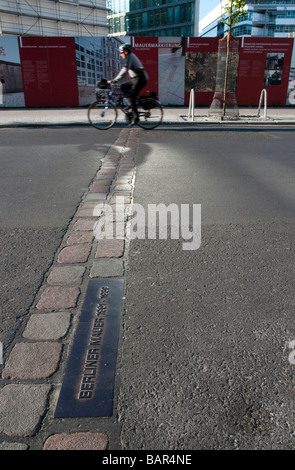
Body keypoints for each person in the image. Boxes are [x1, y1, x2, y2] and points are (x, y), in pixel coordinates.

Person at [108, 44, 148, 126]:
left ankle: (136, 118)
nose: (120, 54)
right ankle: (131, 104)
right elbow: (124, 69)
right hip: (135, 79)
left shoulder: (130, 57)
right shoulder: (128, 58)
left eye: (121, 52)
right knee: (123, 86)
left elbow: (125, 70)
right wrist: (115, 80)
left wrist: (114, 81)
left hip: (140, 78)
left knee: (132, 96)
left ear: (126, 52)